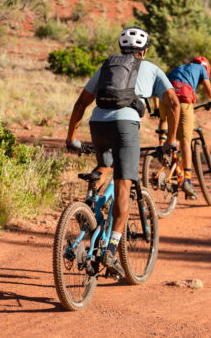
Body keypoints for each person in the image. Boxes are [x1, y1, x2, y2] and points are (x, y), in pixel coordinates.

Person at [65, 26, 180, 279]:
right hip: (125, 127)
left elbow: (81, 102)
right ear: (145, 50)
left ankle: (90, 204)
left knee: (105, 165)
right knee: (123, 189)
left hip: (98, 125)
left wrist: (71, 137)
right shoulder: (151, 68)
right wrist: (170, 140)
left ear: (121, 50)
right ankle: (111, 251)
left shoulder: (107, 67)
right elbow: (173, 102)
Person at [156, 56, 211, 199]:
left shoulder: (179, 68)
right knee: (185, 140)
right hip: (184, 99)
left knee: (164, 119)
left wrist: (156, 107)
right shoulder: (201, 68)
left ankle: (162, 147)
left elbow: (160, 84)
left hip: (164, 97)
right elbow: (209, 91)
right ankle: (188, 180)